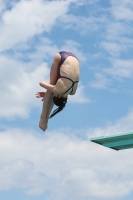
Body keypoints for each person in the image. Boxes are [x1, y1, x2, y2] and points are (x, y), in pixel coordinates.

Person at [36, 51, 80, 131]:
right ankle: (43, 119)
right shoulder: (58, 90)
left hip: (74, 58)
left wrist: (49, 92)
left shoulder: (73, 92)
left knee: (53, 87)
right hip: (60, 57)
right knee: (52, 83)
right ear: (57, 96)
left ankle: (44, 119)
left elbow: (62, 88)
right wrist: (50, 89)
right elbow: (41, 83)